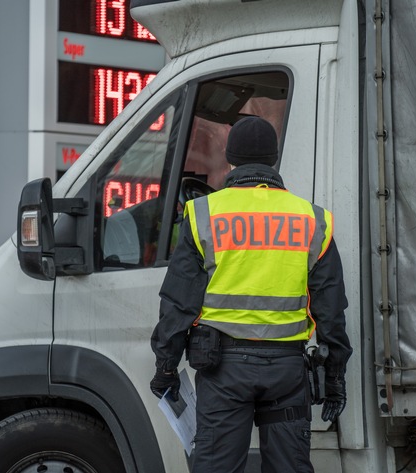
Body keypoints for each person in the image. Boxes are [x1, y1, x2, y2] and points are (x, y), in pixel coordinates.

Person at [149, 116, 352, 472]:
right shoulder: (311, 219)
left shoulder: (203, 215)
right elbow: (330, 308)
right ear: (274, 161)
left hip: (224, 370)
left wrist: (166, 367)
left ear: (230, 160)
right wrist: (334, 377)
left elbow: (179, 303)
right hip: (288, 371)